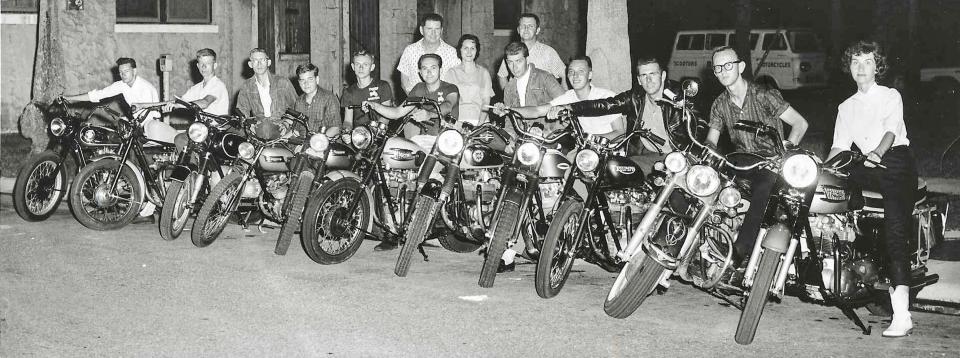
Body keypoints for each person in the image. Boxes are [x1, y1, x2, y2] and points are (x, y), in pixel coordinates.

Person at [826, 41, 916, 338]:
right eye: (855, 62)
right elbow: (839, 146)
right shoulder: (845, 107)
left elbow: (891, 131)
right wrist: (820, 170)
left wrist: (877, 153)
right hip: (865, 164)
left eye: (867, 61)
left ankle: (902, 315)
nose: (860, 67)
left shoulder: (891, 96)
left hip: (895, 162)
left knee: (895, 231)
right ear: (848, 68)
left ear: (878, 66)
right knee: (824, 191)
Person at [705, 46, 809, 264]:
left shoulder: (764, 95)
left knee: (764, 189)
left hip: (769, 164)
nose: (723, 71)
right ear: (714, 72)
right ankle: (703, 244)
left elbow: (800, 123)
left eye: (728, 65)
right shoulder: (719, 104)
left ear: (740, 66)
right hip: (739, 161)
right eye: (718, 68)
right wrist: (708, 156)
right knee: (706, 182)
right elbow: (711, 141)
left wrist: (785, 152)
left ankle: (740, 251)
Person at [362, 53, 460, 251]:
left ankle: (431, 221)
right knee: (392, 170)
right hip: (421, 141)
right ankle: (392, 229)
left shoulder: (450, 89)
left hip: (446, 141)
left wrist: (430, 113)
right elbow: (398, 112)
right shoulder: (418, 89)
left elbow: (448, 106)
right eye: (425, 68)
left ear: (440, 69)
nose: (429, 71)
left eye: (433, 67)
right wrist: (375, 105)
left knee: (428, 177)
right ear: (419, 72)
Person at [63, 57, 165, 224]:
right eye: (121, 72)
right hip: (135, 127)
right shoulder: (122, 85)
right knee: (111, 141)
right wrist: (71, 98)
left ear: (135, 71)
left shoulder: (145, 88)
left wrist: (133, 123)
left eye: (126, 71)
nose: (123, 75)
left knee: (135, 162)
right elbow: (98, 95)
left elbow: (152, 115)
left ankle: (146, 207)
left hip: (149, 128)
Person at [546, 58, 682, 170]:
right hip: (646, 154)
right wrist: (569, 107)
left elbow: (699, 126)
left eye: (653, 74)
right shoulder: (635, 97)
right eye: (644, 76)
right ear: (639, 80)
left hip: (675, 156)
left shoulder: (679, 99)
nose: (648, 80)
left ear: (663, 76)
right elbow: (606, 105)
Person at [511, 55, 625, 141]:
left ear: (590, 75)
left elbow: (620, 133)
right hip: (584, 151)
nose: (575, 76)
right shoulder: (569, 96)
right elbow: (537, 110)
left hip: (609, 152)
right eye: (571, 72)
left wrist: (590, 138)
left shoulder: (606, 96)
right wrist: (508, 109)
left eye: (581, 71)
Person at [494, 41, 566, 137]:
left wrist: (551, 132)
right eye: (510, 62)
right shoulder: (508, 88)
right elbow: (509, 122)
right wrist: (508, 138)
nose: (514, 67)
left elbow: (565, 104)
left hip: (548, 138)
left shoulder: (544, 77)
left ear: (527, 59)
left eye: (519, 61)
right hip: (523, 140)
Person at [235, 48, 298, 138]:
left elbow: (296, 107)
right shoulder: (247, 86)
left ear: (268, 62)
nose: (259, 64)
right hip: (259, 129)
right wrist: (248, 124)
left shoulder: (283, 82)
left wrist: (286, 123)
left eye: (263, 60)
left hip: (282, 129)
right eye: (255, 60)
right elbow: (242, 111)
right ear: (250, 64)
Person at [496, 13, 565, 90]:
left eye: (530, 26)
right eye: (523, 26)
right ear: (518, 30)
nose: (526, 29)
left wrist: (563, 99)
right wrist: (508, 96)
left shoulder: (548, 52)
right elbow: (502, 75)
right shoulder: (512, 51)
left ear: (537, 30)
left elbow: (564, 74)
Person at [396, 13, 461, 94]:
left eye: (437, 29)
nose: (433, 33)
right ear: (421, 30)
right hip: (415, 102)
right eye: (429, 29)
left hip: (443, 102)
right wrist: (414, 101)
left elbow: (459, 81)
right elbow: (404, 81)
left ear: (441, 30)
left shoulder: (452, 53)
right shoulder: (410, 51)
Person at [446, 34, 494, 126]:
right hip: (457, 122)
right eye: (465, 48)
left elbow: (486, 102)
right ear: (460, 50)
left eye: (472, 48)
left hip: (480, 121)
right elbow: (448, 101)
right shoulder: (451, 73)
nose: (469, 52)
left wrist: (479, 124)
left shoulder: (484, 73)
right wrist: (454, 123)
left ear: (477, 51)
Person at [342, 49, 394, 132]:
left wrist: (374, 131)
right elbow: (348, 121)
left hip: (379, 133)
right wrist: (346, 131)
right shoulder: (348, 92)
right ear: (353, 67)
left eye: (365, 64)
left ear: (372, 67)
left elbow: (387, 116)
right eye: (357, 64)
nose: (361, 68)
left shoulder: (383, 86)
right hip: (359, 136)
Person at [292, 63, 341, 134]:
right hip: (303, 142)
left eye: (310, 79)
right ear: (299, 82)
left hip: (324, 142)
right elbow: (295, 130)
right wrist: (279, 140)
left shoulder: (329, 98)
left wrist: (316, 141)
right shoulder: (299, 102)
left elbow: (336, 128)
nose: (306, 84)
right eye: (302, 80)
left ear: (317, 80)